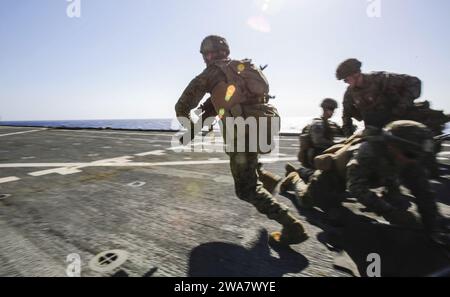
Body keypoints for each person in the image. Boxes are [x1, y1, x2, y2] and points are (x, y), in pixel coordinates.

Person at [175, 35, 308, 245]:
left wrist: (190, 129)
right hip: (265, 123)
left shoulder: (209, 75)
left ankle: (291, 225)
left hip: (241, 132)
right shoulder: (244, 67)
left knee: (245, 189)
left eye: (204, 54)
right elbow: (234, 98)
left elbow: (181, 108)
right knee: (249, 161)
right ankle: (266, 178)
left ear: (207, 54)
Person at [265, 120, 450, 246]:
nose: (413, 161)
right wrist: (388, 211)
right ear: (392, 145)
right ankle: (295, 178)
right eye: (409, 155)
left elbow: (423, 192)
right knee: (309, 201)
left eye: (417, 156)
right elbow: (356, 188)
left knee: (401, 208)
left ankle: (303, 173)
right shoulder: (367, 151)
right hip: (333, 176)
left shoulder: (408, 158)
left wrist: (432, 223)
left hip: (368, 178)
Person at [336, 58, 422, 137]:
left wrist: (400, 109)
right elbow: (346, 116)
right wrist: (349, 137)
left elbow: (414, 82)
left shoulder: (381, 79)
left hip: (401, 124)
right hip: (376, 132)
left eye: (346, 79)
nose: (346, 82)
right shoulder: (350, 93)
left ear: (356, 74)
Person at [297, 98, 344, 169]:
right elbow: (318, 141)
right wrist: (336, 144)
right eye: (331, 109)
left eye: (333, 110)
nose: (333, 112)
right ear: (324, 109)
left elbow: (342, 132)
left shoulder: (331, 123)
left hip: (324, 152)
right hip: (316, 154)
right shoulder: (318, 124)